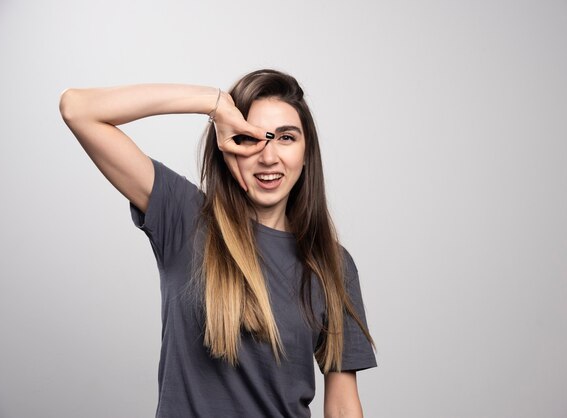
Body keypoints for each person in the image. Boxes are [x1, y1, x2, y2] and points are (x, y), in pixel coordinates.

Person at [59, 69, 377, 418]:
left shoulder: (332, 264)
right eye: (249, 138)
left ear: (306, 152)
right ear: (227, 144)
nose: (268, 157)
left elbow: (344, 406)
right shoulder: (185, 218)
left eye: (286, 138)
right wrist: (213, 104)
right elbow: (78, 109)